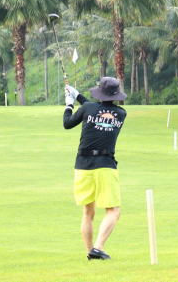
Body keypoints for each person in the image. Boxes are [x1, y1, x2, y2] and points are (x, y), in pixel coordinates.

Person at [63, 77, 128, 259]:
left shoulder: (87, 108)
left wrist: (70, 103)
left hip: (82, 166)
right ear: (116, 95)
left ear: (99, 92)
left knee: (87, 213)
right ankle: (97, 248)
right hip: (105, 165)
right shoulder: (121, 113)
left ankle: (90, 251)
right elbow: (96, 109)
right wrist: (77, 95)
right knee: (113, 211)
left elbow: (68, 122)